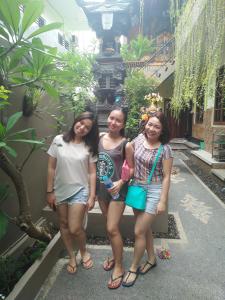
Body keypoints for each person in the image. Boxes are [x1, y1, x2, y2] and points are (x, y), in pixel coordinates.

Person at [122, 111, 173, 287]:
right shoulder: (137, 140)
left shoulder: (165, 148)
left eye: (156, 126)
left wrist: (163, 201)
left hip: (154, 190)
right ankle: (151, 259)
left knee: (138, 231)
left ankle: (133, 267)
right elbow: (128, 149)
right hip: (137, 187)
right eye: (150, 124)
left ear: (162, 130)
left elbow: (167, 176)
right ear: (145, 124)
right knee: (145, 228)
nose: (151, 128)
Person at [46, 111, 99, 274]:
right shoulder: (58, 140)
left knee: (75, 227)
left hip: (80, 190)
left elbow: (92, 173)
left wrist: (91, 196)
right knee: (63, 225)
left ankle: (83, 251)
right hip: (60, 190)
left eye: (87, 127)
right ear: (76, 121)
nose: (82, 127)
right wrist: (49, 191)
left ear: (90, 131)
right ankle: (71, 256)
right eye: (81, 123)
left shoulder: (89, 147)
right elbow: (51, 167)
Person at [96, 107, 133, 289]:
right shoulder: (100, 138)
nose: (113, 122)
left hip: (117, 192)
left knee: (111, 228)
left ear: (123, 124)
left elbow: (131, 168)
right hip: (101, 190)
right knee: (110, 227)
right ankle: (114, 255)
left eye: (118, 120)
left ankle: (119, 266)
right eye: (112, 118)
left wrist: (121, 181)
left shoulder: (126, 144)